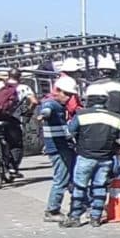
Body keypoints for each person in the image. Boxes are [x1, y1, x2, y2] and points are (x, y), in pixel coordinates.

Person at [62, 94, 120, 228]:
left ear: (89, 102)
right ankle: (96, 218)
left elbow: (69, 133)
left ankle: (74, 217)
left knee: (79, 187)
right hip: (105, 158)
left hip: (85, 156)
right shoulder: (116, 118)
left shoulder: (81, 115)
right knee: (100, 187)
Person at [85, 55, 120, 182]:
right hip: (117, 126)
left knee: (97, 157)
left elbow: (87, 108)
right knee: (114, 154)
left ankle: (99, 183)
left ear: (100, 71)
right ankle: (115, 183)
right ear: (114, 71)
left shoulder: (91, 87)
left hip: (95, 128)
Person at [39, 77, 78, 222]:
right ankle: (52, 210)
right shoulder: (52, 104)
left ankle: (80, 203)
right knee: (61, 178)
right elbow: (46, 111)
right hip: (58, 148)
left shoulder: (60, 106)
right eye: (66, 94)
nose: (68, 98)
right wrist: (44, 114)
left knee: (72, 177)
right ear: (57, 91)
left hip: (64, 146)